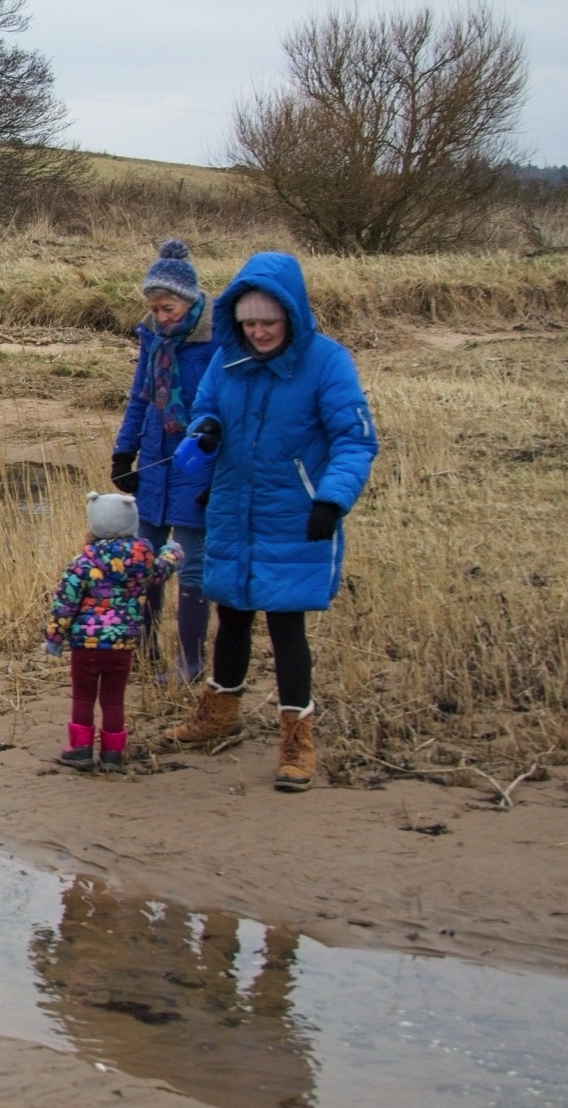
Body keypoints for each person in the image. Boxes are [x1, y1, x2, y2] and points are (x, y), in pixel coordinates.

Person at [165, 251, 376, 791]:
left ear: (290, 315)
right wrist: (207, 431)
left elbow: (354, 440)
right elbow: (206, 409)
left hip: (295, 514)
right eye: (249, 323)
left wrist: (331, 500)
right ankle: (219, 715)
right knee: (232, 614)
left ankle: (296, 739)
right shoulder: (227, 359)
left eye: (269, 322)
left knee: (286, 626)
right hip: (233, 508)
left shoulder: (326, 362)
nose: (259, 332)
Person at [111, 239, 217, 680]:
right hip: (154, 458)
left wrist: (218, 469)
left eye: (167, 308)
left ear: (188, 301)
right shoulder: (152, 337)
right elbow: (140, 397)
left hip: (198, 461)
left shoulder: (217, 339)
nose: (161, 316)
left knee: (191, 561)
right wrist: (124, 452)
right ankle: (145, 648)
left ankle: (190, 661)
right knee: (143, 558)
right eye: (154, 309)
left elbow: (226, 407)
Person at [43, 491, 180, 772]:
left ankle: (80, 749)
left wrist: (54, 638)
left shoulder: (82, 563)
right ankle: (112, 753)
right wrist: (172, 553)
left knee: (83, 696)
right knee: (113, 700)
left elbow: (64, 604)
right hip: (122, 645)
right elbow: (160, 572)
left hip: (86, 645)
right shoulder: (141, 562)